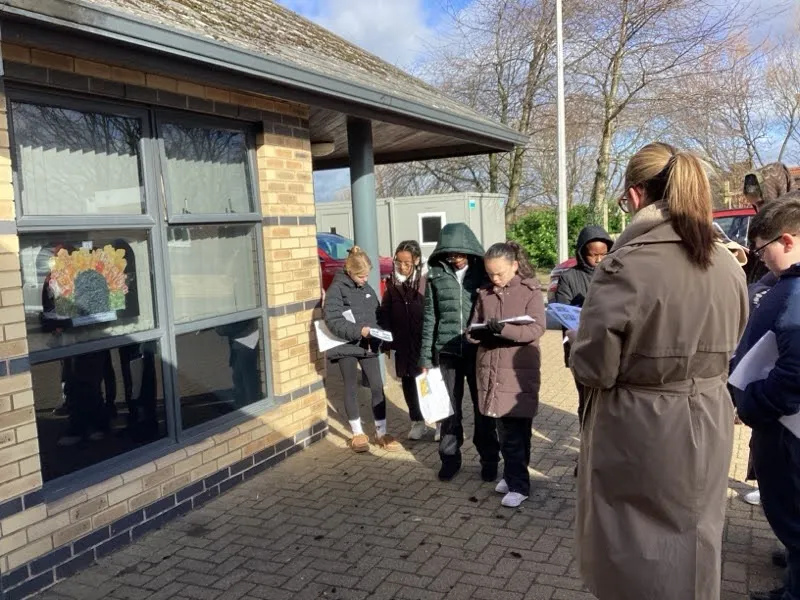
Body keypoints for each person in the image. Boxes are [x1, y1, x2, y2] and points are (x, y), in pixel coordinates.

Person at [569, 142, 748, 600]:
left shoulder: (626, 265)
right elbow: (738, 333)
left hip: (641, 422)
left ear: (635, 195)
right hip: (710, 412)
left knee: (637, 549)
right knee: (699, 532)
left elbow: (594, 367)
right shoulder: (728, 263)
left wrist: (578, 347)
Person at [732, 192, 800, 600]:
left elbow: (794, 372)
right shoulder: (787, 285)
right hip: (784, 423)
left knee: (792, 505)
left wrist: (755, 402)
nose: (759, 259)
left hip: (787, 426)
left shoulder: (795, 293)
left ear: (787, 240)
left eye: (762, 250)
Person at [466, 241, 545, 507]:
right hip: (491, 369)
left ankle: (519, 484)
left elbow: (536, 329)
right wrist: (477, 334)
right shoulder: (485, 293)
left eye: (499, 273)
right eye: (490, 274)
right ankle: (512, 475)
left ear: (514, 265)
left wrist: (504, 330)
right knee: (504, 429)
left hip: (517, 371)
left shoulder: (530, 290)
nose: (495, 279)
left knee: (517, 432)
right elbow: (472, 327)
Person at [419, 223, 500, 482]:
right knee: (449, 410)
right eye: (450, 254)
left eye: (459, 253)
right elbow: (430, 317)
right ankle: (450, 458)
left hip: (478, 351)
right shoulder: (435, 276)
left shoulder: (483, 274)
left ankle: (489, 459)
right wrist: (426, 357)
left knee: (483, 408)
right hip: (447, 352)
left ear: (469, 249)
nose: (455, 258)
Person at [324, 246, 402, 453]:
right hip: (347, 346)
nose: (365, 279)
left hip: (368, 345)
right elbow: (333, 320)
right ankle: (357, 433)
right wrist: (359, 331)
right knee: (350, 387)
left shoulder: (367, 289)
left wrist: (381, 333)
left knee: (377, 386)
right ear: (350, 272)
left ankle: (381, 432)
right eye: (361, 276)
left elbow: (377, 314)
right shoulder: (336, 290)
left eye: (367, 275)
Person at [553, 225, 613, 429]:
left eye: (604, 254)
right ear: (581, 253)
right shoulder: (569, 277)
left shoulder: (616, 273)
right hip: (580, 346)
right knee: (586, 400)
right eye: (593, 255)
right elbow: (562, 310)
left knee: (608, 402)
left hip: (609, 346)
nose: (599, 260)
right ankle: (586, 441)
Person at [380, 240, 428, 440]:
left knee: (428, 383)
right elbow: (385, 312)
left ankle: (440, 422)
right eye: (398, 262)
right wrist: (386, 338)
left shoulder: (427, 281)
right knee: (408, 382)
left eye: (406, 262)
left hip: (424, 341)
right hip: (402, 343)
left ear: (416, 260)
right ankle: (417, 421)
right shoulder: (392, 283)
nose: (402, 266)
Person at [743, 162, 795, 285]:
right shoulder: (763, 227)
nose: (758, 211)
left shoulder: (794, 226)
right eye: (754, 205)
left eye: (761, 203)